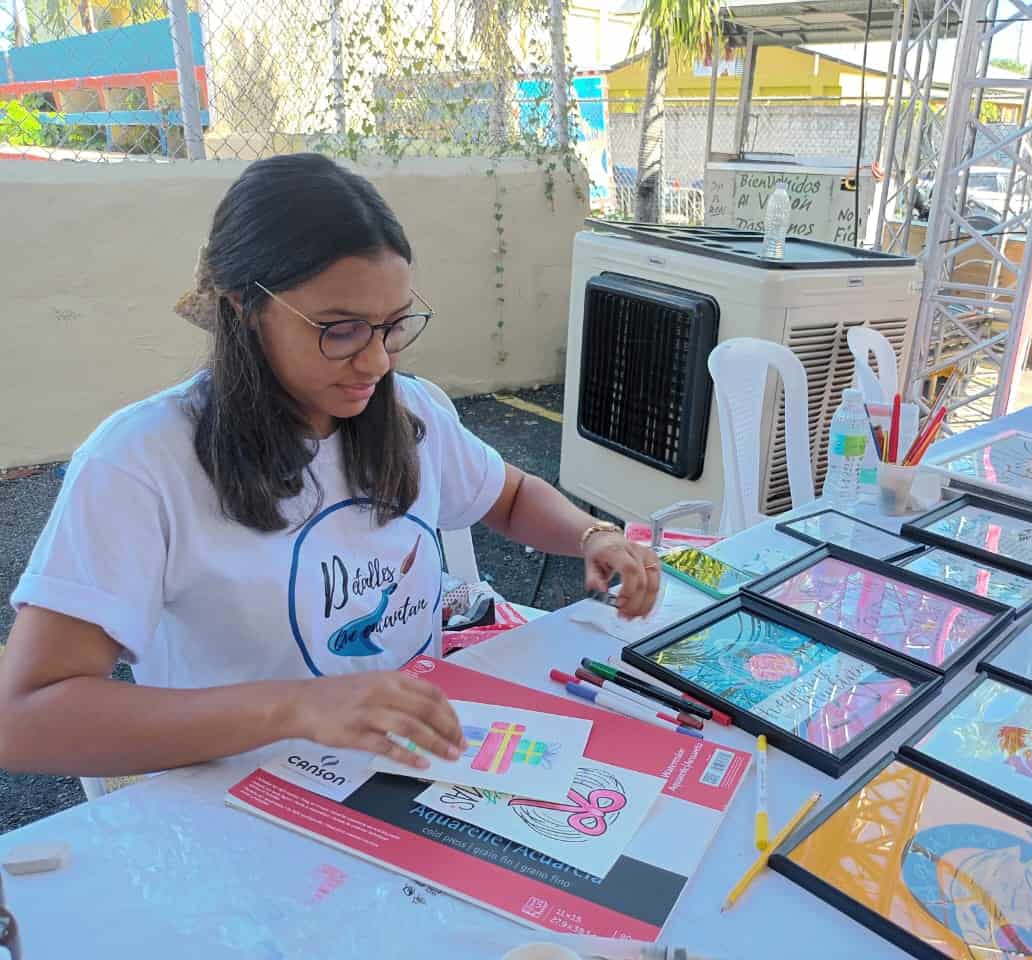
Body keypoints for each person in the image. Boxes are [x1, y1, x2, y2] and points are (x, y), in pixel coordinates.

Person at [0, 153, 661, 780]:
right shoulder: (140, 463)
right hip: (238, 802)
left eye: (393, 325)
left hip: (410, 770)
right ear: (244, 307)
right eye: (339, 329)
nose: (376, 361)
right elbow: (25, 718)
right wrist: (296, 708)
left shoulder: (409, 414)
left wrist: (592, 535)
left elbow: (509, 497)